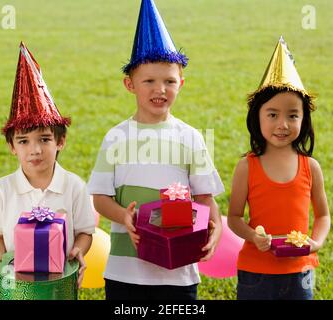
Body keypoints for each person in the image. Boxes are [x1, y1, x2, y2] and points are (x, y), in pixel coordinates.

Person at [87, 0, 224, 300]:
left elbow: (204, 197)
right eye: (148, 81)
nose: (160, 89)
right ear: (129, 84)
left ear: (181, 83)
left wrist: (215, 230)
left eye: (169, 81)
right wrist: (123, 215)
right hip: (126, 272)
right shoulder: (116, 138)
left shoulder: (190, 138)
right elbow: (100, 197)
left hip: (178, 275)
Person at [0, 42, 95, 296]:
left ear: (60, 142)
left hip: (59, 282)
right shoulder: (3, 188)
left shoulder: (74, 186)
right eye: (24, 141)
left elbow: (86, 232)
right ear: (12, 146)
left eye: (44, 139)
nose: (35, 150)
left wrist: (79, 249)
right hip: (16, 281)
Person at [228, 36, 331, 300]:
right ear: (257, 117)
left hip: (300, 272)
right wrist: (253, 236)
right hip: (256, 272)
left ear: (304, 119)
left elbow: (322, 216)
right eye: (272, 114)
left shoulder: (311, 168)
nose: (282, 124)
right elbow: (234, 218)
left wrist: (315, 243)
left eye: (292, 115)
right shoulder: (246, 167)